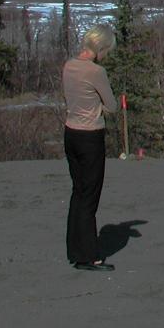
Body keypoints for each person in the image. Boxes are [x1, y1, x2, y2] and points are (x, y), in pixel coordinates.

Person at [63, 23, 119, 271]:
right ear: (101, 47)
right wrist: (99, 108)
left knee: (78, 192)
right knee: (89, 197)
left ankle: (75, 250)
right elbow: (112, 105)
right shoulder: (96, 72)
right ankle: (89, 255)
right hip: (90, 136)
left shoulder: (69, 66)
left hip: (71, 133)